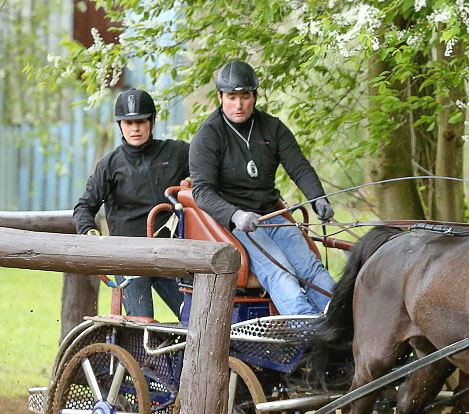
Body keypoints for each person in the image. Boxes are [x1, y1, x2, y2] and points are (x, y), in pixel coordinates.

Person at [189, 59, 336, 315]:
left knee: (312, 269)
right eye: (232, 97)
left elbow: (299, 167)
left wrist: (318, 198)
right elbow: (201, 192)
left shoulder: (272, 127)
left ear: (255, 96)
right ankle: (311, 338)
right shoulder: (208, 136)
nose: (239, 105)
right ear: (220, 97)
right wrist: (236, 215)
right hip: (236, 225)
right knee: (281, 274)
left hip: (273, 216)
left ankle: (342, 325)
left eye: (245, 97)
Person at [74, 88, 189, 318]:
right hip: (129, 258)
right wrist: (90, 234)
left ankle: (186, 355)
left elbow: (209, 168)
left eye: (140, 121)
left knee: (196, 318)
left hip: (170, 254)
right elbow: (84, 207)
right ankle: (143, 355)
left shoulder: (176, 152)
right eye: (128, 123)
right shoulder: (109, 165)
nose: (134, 128)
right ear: (120, 126)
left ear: (152, 122)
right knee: (142, 324)